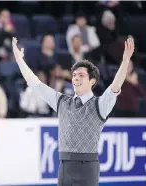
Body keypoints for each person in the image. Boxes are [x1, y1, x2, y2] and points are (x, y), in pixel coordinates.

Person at [12, 37, 134, 186]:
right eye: (74, 75)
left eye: (81, 75)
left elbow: (115, 87)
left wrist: (126, 60)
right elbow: (36, 84)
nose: (76, 78)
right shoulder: (62, 101)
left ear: (92, 81)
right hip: (64, 167)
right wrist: (20, 61)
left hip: (87, 168)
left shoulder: (99, 105)